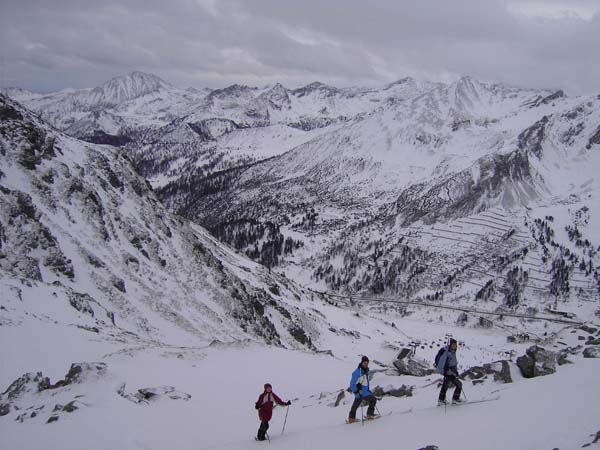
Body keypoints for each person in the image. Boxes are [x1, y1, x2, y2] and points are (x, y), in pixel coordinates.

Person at [347, 355, 377, 423]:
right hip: (361, 392)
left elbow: (364, 382)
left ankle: (351, 419)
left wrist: (367, 390)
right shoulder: (357, 372)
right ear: (362, 363)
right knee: (373, 400)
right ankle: (369, 415)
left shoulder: (364, 371)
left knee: (356, 405)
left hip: (364, 392)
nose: (366, 364)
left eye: (367, 363)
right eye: (365, 363)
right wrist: (356, 391)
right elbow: (352, 384)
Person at [434, 338, 463, 405]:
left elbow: (453, 362)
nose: (455, 346)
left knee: (445, 385)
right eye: (453, 344)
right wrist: (447, 370)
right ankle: (455, 399)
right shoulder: (447, 352)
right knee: (459, 384)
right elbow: (443, 362)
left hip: (450, 371)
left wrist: (455, 371)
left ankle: (441, 400)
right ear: (450, 345)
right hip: (448, 372)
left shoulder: (452, 351)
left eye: (455, 344)